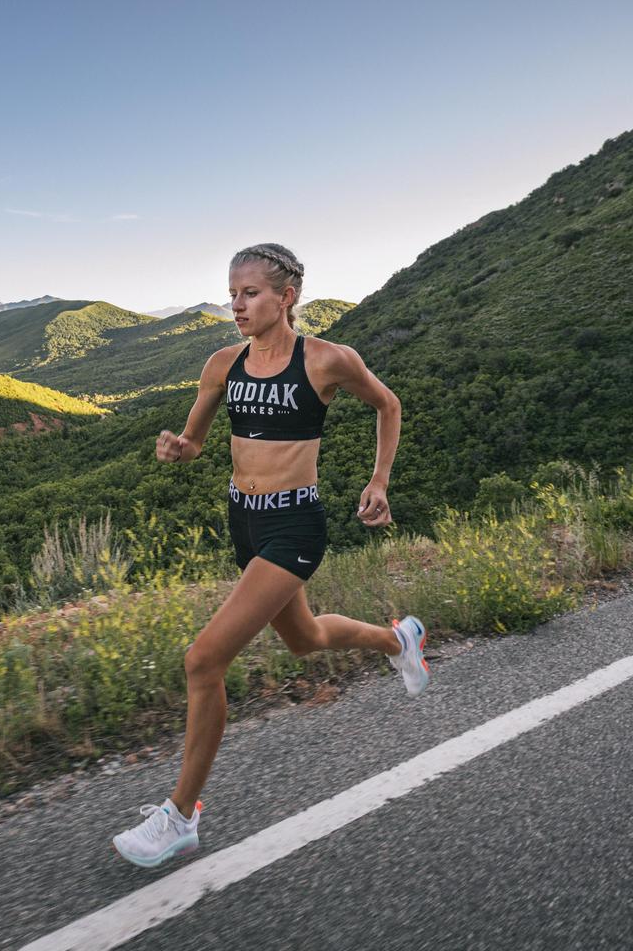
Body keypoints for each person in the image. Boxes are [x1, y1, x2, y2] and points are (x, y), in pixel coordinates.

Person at [111, 242, 429, 869]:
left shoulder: (330, 361)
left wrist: (379, 480)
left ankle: (180, 817)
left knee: (203, 660)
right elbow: (196, 441)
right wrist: (177, 448)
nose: (237, 305)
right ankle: (399, 641)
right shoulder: (222, 365)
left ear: (287, 297)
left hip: (295, 525)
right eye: (231, 293)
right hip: (244, 523)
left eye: (250, 293)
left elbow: (388, 405)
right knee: (305, 638)